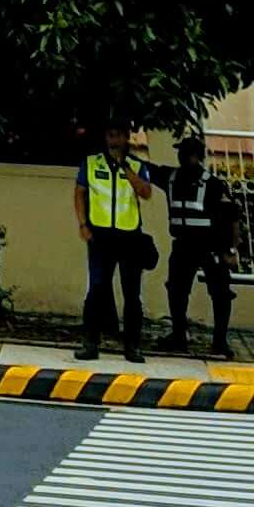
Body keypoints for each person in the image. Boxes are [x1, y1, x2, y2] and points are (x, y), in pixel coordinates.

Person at [75, 128, 153, 362]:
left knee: (132, 293)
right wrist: (83, 224)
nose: (114, 140)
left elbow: (146, 193)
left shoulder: (136, 166)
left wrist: (125, 169)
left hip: (129, 237)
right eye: (110, 135)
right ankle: (90, 343)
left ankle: (132, 346)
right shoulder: (90, 163)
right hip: (100, 236)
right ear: (105, 138)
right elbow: (79, 194)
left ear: (125, 139)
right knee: (96, 290)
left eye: (119, 136)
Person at [163, 130, 240, 360]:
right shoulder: (172, 178)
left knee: (221, 293)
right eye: (181, 154)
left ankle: (219, 341)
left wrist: (231, 250)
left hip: (210, 246)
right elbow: (148, 170)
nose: (182, 159)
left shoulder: (213, 185)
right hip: (183, 244)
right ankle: (178, 336)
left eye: (186, 154)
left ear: (197, 157)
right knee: (176, 289)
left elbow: (232, 217)